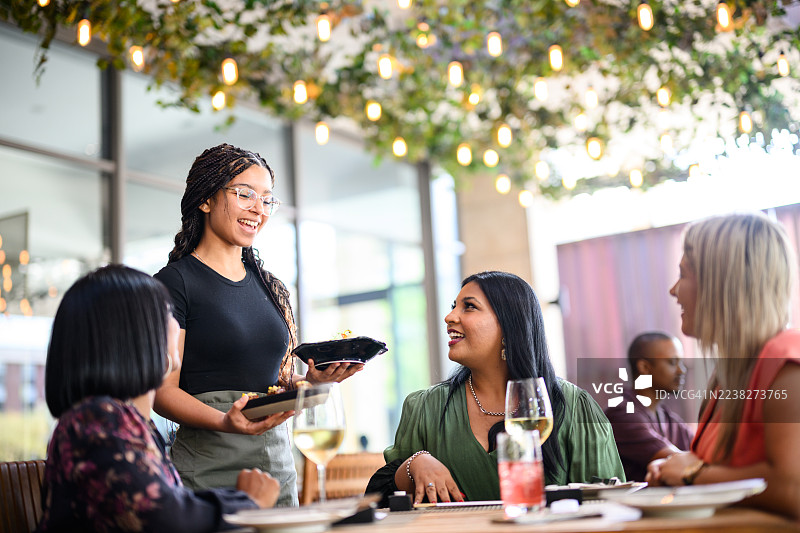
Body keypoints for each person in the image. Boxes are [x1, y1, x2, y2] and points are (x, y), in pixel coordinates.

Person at [153, 143, 362, 506]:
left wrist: (313, 383)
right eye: (245, 194)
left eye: (267, 199)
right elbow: (161, 392)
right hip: (207, 474)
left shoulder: (273, 288)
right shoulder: (174, 283)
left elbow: (278, 386)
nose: (258, 209)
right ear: (205, 200)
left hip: (277, 472)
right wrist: (224, 421)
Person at [37, 265, 280, 532]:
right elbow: (166, 518)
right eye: (167, 313)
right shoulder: (95, 421)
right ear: (136, 336)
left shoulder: (121, 424)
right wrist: (248, 502)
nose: (177, 325)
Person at [366, 271, 624, 505]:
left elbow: (607, 504)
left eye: (469, 307)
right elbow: (381, 502)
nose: (449, 317)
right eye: (453, 306)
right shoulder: (424, 407)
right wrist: (414, 463)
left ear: (509, 327)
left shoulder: (575, 406)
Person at [646, 213, 800, 519]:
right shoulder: (727, 376)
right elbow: (725, 469)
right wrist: (678, 467)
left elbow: (793, 489)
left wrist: (693, 472)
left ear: (720, 283)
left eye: (684, 274)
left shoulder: (785, 361)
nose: (674, 290)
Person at [604, 332, 694, 481]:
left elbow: (702, 455)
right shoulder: (622, 414)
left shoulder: (669, 419)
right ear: (644, 367)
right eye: (673, 362)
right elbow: (680, 461)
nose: (681, 370)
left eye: (681, 362)